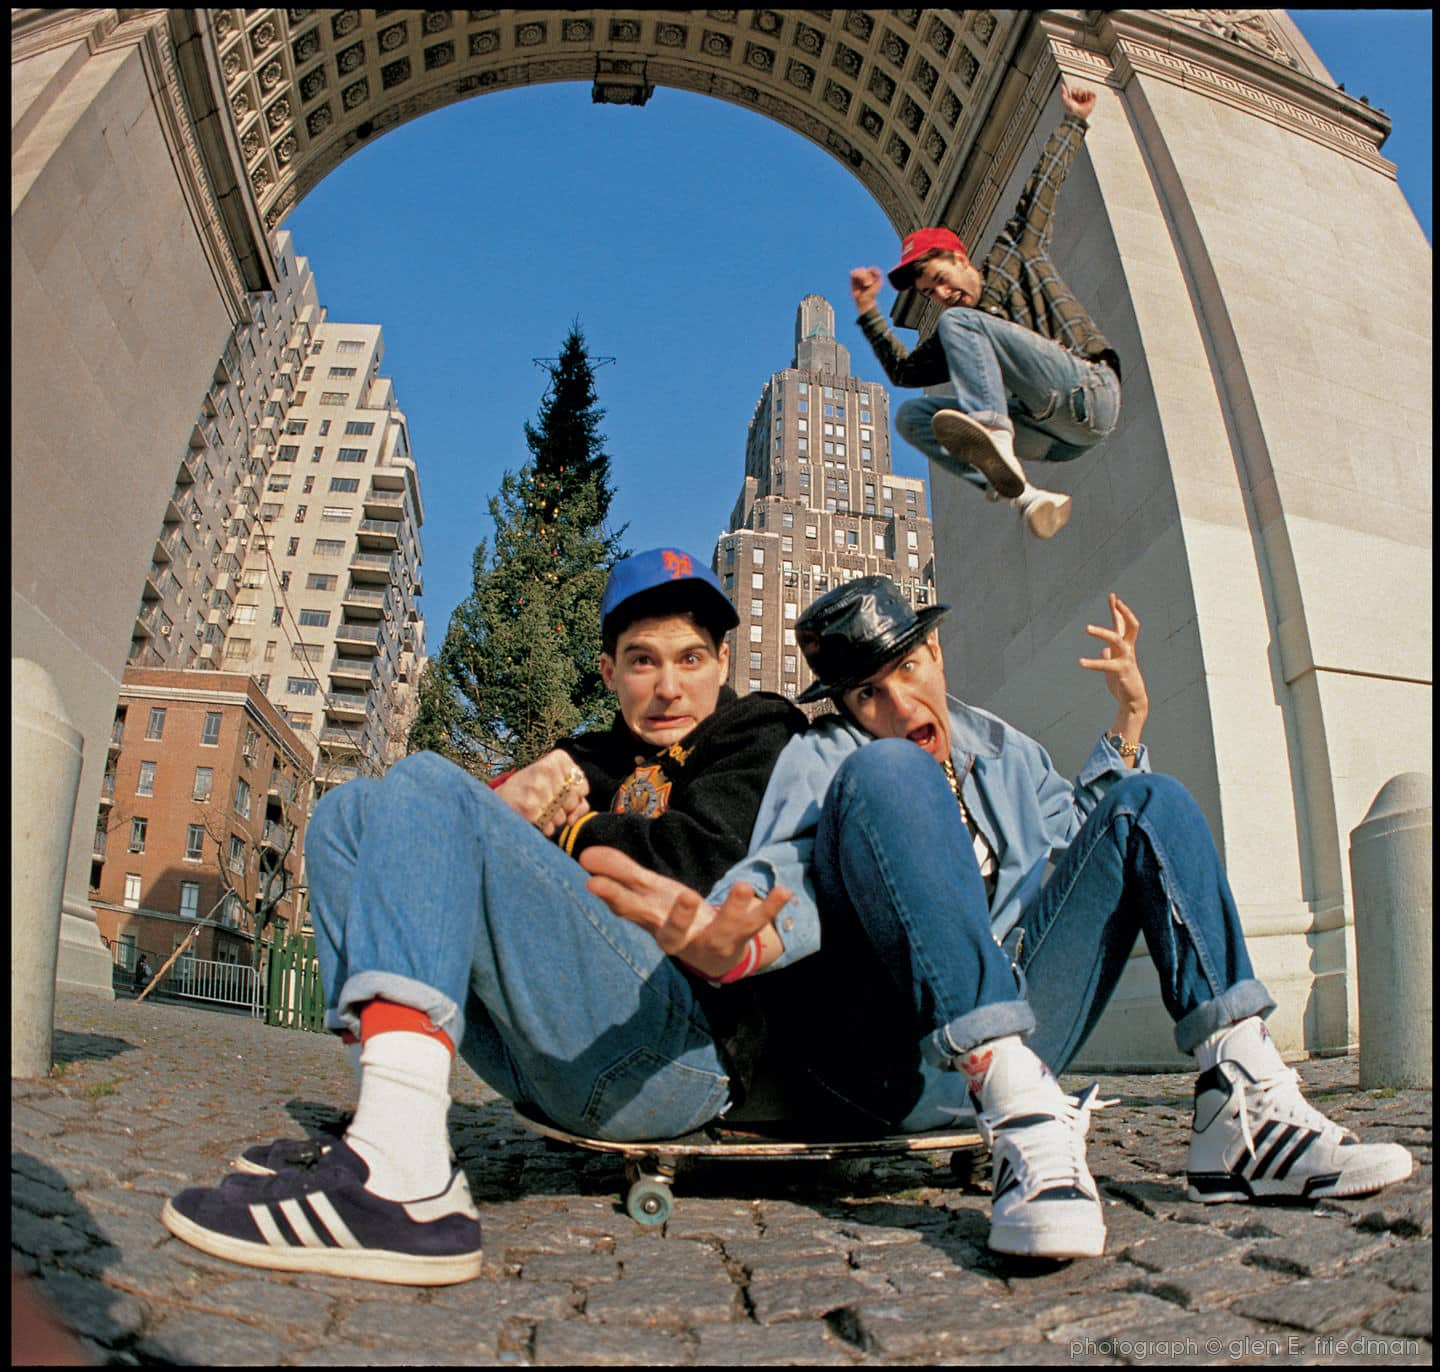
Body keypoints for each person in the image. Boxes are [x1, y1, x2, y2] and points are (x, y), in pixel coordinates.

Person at [591, 576, 1413, 1261]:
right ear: (842, 703)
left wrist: (1128, 722)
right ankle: (1021, 1117)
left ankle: (1242, 1108)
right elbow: (789, 871)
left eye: (909, 669)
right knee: (890, 772)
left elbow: (1090, 845)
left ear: (937, 652)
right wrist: (744, 939)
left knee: (1148, 801)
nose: (897, 701)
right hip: (889, 1059)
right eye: (866, 693)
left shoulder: (1004, 749)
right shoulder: (831, 755)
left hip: (1027, 1028)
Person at [160, 547, 808, 1286]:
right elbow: (456, 837)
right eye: (641, 661)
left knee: (429, 782)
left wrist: (571, 830)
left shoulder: (758, 735)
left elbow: (703, 867)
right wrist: (518, 799)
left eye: (690, 659)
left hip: (681, 1060)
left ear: (722, 662)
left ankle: (402, 1186)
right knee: (352, 813)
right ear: (608, 672)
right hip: (558, 1050)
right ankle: (389, 1120)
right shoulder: (590, 754)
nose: (667, 687)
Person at [850, 80, 1122, 540]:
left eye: (939, 279)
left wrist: (1073, 123)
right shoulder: (959, 332)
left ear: (960, 259)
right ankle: (1027, 497)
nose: (938, 294)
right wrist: (868, 311)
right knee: (912, 418)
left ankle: (995, 434)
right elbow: (903, 372)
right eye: (928, 293)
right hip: (1056, 442)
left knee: (961, 323)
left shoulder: (1016, 254)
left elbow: (1039, 193)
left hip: (1088, 392)